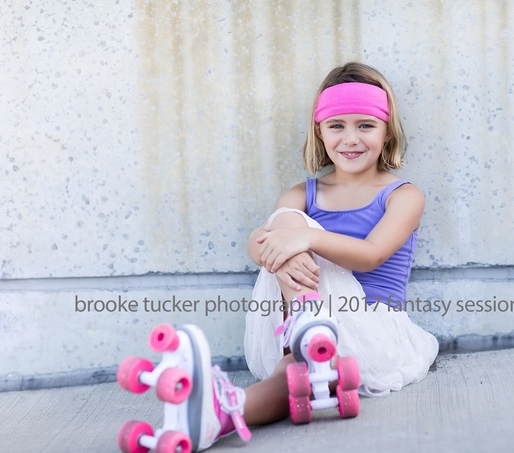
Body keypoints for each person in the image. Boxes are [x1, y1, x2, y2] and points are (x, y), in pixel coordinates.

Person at [122, 62, 439, 452]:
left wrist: (302, 236)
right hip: (304, 335)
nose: (351, 138)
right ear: (319, 131)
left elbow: (371, 256)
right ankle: (219, 412)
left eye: (365, 125)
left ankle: (305, 333)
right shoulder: (302, 194)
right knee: (283, 229)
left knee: (288, 228)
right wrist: (275, 240)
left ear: (386, 129)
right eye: (337, 126)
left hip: (375, 334)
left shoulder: (403, 195)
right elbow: (261, 244)